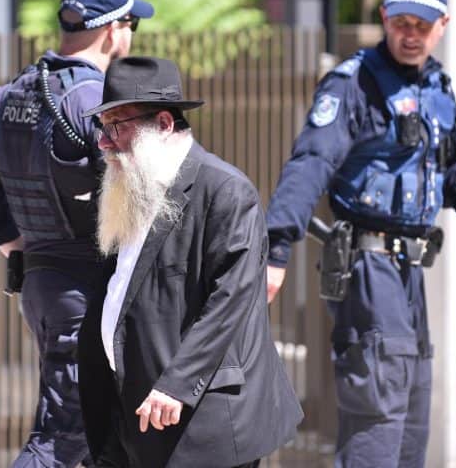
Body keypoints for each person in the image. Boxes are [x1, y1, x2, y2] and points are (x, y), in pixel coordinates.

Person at [264, 0, 456, 467]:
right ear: (384, 20)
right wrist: (276, 249)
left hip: (409, 271)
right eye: (401, 22)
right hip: (368, 267)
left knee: (413, 409)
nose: (411, 34)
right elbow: (311, 163)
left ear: (443, 26)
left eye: (422, 24)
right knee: (378, 408)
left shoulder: (436, 83)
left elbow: (449, 164)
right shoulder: (354, 83)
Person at [0, 0, 153, 467]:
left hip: (44, 283)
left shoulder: (11, 94)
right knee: (64, 436)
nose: (131, 36)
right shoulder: (94, 100)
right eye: (132, 23)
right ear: (113, 30)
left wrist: (19, 247)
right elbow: (142, 196)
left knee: (99, 435)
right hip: (85, 287)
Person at [77, 56, 303, 468]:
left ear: (164, 123)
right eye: (103, 128)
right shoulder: (128, 187)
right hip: (129, 415)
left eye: (118, 127)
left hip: (199, 422)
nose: (105, 142)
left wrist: (177, 385)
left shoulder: (226, 192)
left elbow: (231, 300)